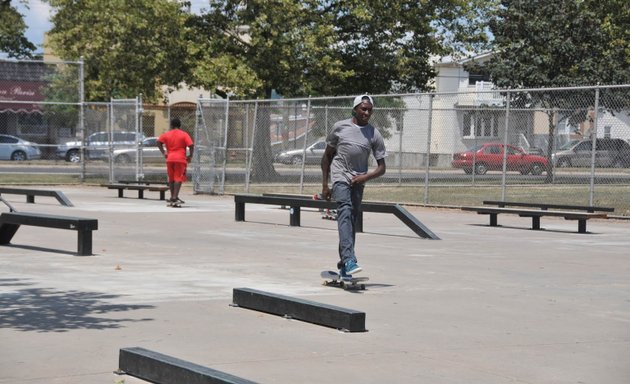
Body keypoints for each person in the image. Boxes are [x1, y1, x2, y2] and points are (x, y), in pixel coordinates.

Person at [321, 95, 386, 277]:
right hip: (340, 176)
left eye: (369, 110)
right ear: (355, 109)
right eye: (363, 109)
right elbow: (327, 156)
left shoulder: (374, 134)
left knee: (350, 220)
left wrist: (364, 177)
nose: (366, 113)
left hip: (358, 180)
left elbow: (382, 168)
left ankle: (344, 263)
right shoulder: (340, 127)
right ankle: (350, 260)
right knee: (345, 210)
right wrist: (325, 185)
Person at [157, 118, 194, 206]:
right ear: (180, 125)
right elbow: (191, 145)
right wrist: (190, 155)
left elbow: (158, 142)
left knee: (171, 178)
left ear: (171, 125)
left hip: (170, 158)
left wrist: (164, 152)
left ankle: (173, 196)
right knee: (178, 177)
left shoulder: (166, 134)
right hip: (180, 159)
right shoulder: (184, 134)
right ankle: (174, 197)